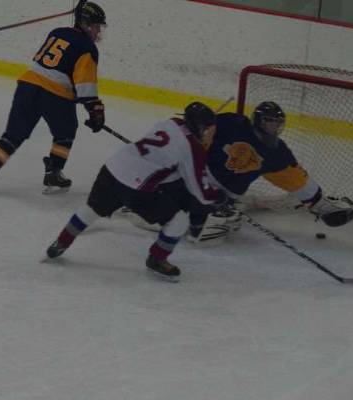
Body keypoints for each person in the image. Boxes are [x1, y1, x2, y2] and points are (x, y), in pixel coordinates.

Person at [44, 102, 224, 282]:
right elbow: (200, 192)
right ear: (199, 127)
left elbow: (163, 158)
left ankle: (62, 242)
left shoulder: (171, 123)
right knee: (179, 220)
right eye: (209, 130)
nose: (211, 135)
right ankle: (157, 258)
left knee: (92, 209)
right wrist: (217, 197)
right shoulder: (193, 149)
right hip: (136, 189)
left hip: (112, 168)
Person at [0, 1, 106, 194]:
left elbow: (52, 64)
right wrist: (95, 110)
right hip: (55, 94)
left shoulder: (57, 32)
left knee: (14, 133)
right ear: (85, 24)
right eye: (96, 27)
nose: (98, 32)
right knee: (66, 131)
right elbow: (85, 87)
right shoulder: (87, 47)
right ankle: (54, 171)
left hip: (27, 86)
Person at [187, 101, 353, 243]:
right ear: (258, 120)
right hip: (199, 178)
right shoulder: (233, 123)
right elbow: (199, 133)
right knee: (174, 202)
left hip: (226, 194)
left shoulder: (277, 153)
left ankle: (207, 214)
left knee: (205, 231)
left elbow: (295, 179)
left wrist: (321, 205)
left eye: (277, 123)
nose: (273, 127)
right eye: (269, 121)